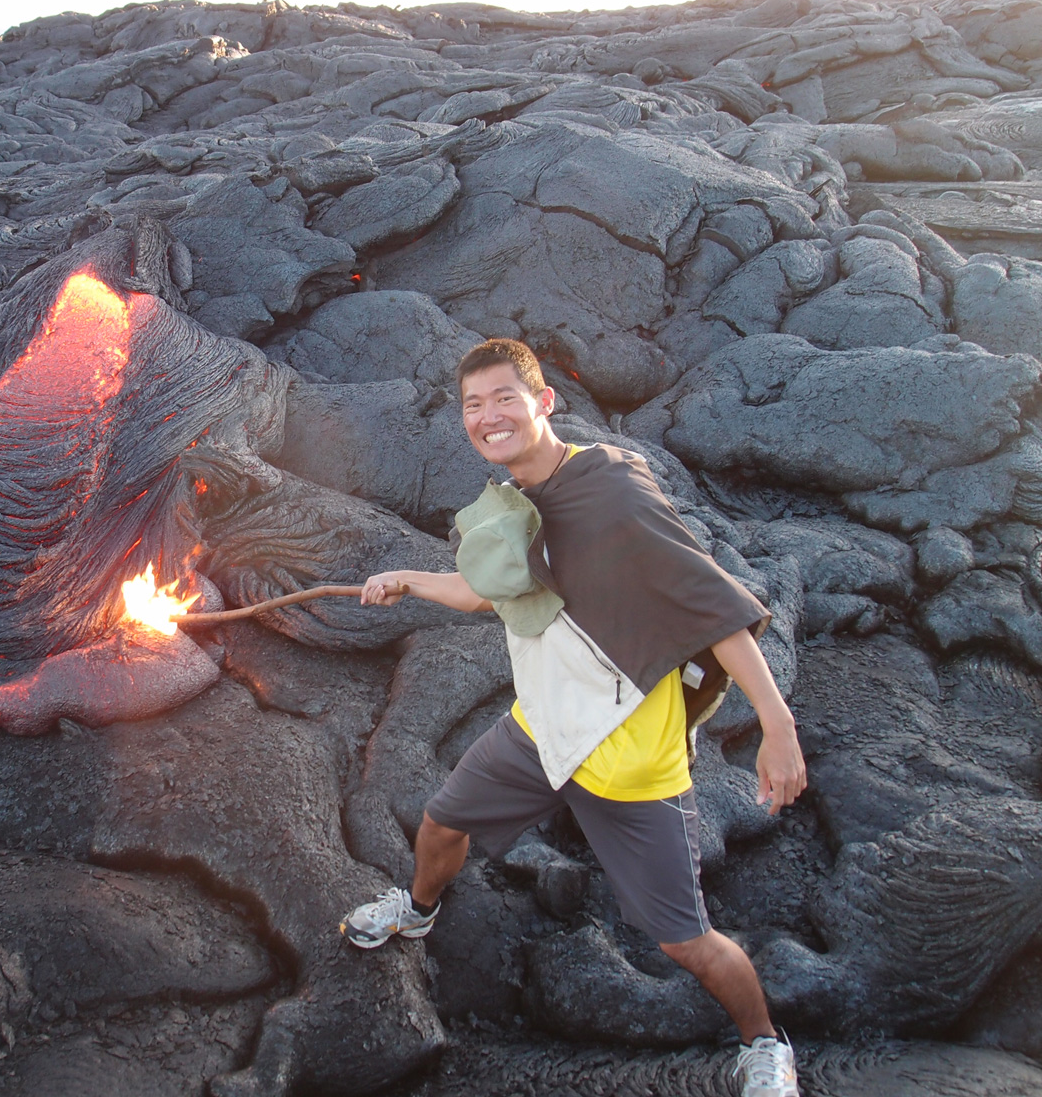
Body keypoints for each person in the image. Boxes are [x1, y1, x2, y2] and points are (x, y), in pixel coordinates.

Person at [340, 339, 807, 1097]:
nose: (489, 416)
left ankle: (765, 1045)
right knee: (442, 823)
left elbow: (713, 605)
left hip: (630, 761)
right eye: (474, 405)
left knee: (685, 941)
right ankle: (418, 910)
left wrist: (777, 729)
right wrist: (408, 580)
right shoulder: (523, 500)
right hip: (542, 729)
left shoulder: (612, 491)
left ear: (544, 402)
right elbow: (490, 591)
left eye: (505, 398)